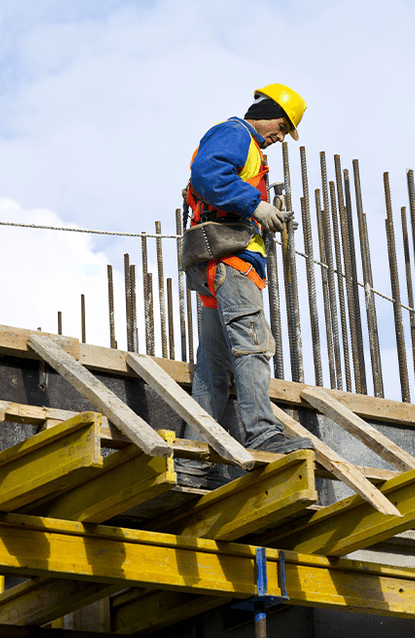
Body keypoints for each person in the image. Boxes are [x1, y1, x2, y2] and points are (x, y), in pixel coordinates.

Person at [178, 84, 314, 487]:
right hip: (231, 262)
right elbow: (208, 174)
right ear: (268, 112)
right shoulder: (236, 133)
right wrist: (255, 205)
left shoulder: (251, 149)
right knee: (253, 345)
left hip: (219, 264)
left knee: (213, 368)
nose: (281, 137)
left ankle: (193, 458)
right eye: (282, 127)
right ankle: (263, 432)